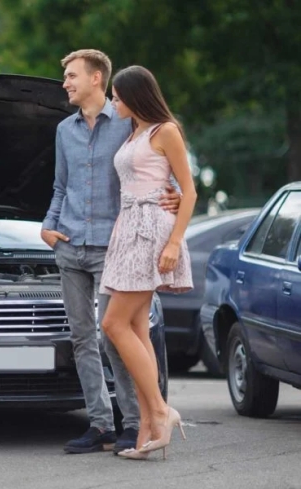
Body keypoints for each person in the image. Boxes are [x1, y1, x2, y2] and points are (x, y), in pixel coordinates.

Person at [41, 49, 181, 455]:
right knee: (82, 337)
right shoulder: (63, 130)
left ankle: (135, 419)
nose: (65, 82)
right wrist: (49, 226)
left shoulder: (126, 123)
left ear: (97, 78)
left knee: (114, 336)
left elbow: (156, 166)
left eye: (71, 76)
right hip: (69, 245)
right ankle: (100, 424)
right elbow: (60, 187)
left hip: (115, 246)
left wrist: (169, 197)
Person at [99, 65, 195, 460]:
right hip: (126, 229)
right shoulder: (132, 132)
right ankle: (147, 430)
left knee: (113, 324)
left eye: (118, 96)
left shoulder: (165, 130)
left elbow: (188, 193)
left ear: (136, 96)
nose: (114, 102)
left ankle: (161, 410)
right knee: (136, 327)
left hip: (151, 231)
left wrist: (174, 242)